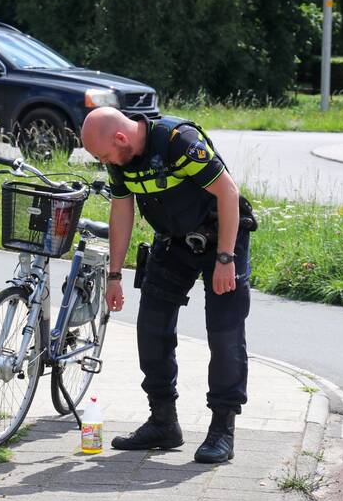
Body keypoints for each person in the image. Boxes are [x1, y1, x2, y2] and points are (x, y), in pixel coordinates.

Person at [80, 106, 255, 463]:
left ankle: (222, 429)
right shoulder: (120, 160)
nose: (105, 163)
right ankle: (163, 422)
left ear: (120, 138)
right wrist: (114, 276)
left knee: (224, 333)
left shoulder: (178, 142)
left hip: (221, 237)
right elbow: (122, 211)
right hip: (173, 242)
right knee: (152, 327)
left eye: (104, 155)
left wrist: (225, 258)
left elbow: (229, 193)